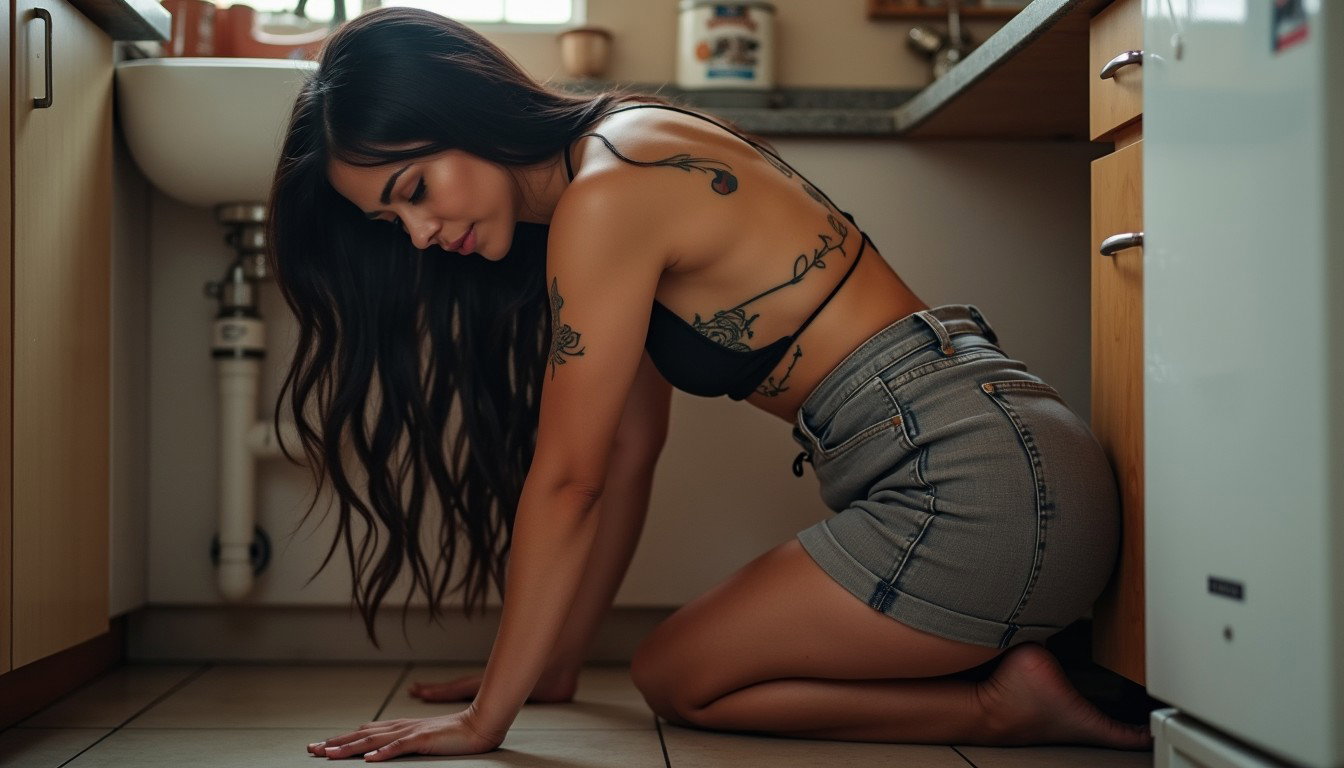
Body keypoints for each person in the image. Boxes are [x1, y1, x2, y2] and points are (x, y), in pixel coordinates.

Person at [270, 6, 1154, 761]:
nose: (419, 233)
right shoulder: (622, 146)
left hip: (978, 486)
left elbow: (568, 479)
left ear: (460, 107)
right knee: (676, 666)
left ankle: (1001, 709)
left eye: (416, 188)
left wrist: (485, 718)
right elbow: (625, 452)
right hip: (1016, 453)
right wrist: (555, 663)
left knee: (673, 677)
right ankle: (1022, 675)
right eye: (393, 221)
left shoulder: (607, 198)